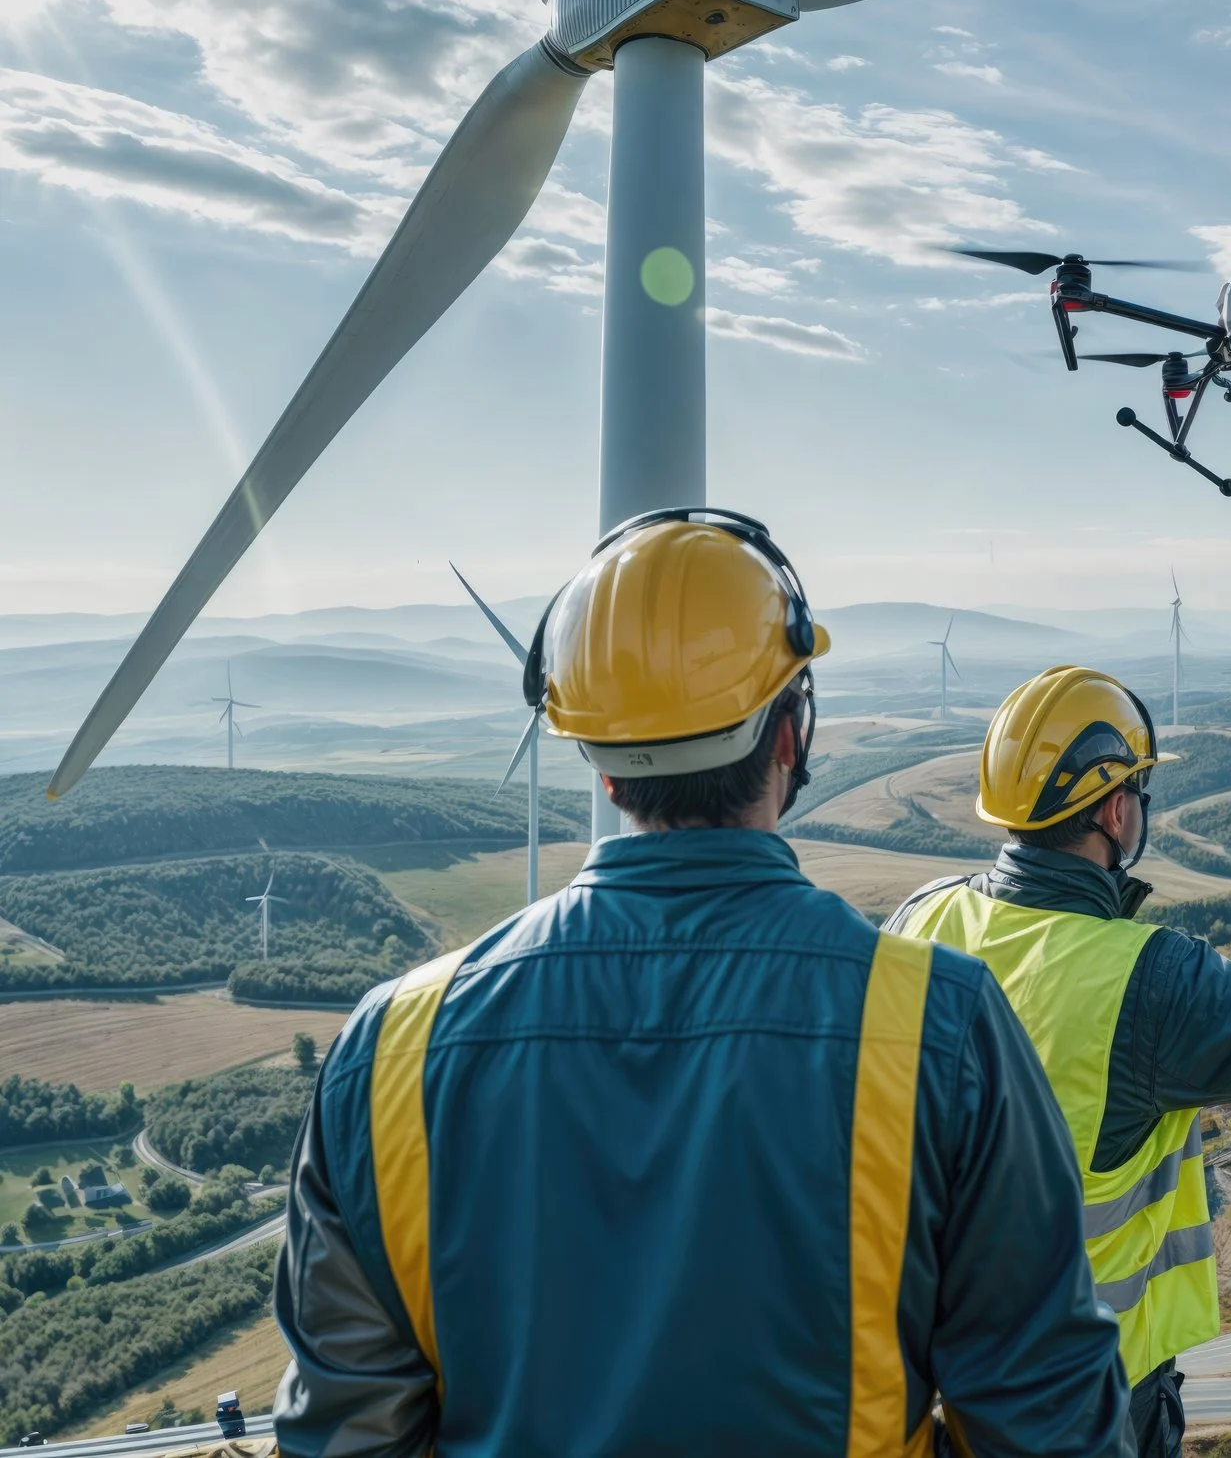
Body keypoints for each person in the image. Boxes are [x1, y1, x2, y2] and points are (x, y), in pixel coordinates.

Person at [273, 510, 1128, 1456]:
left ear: (595, 758)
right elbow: (1045, 1426)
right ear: (791, 733)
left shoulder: (386, 1052)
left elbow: (345, 1437)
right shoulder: (941, 1029)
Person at [886, 668, 1231, 1455]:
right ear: (1114, 808)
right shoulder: (1152, 976)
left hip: (935, 1379)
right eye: (1138, 791)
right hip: (1090, 1397)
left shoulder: (919, 917)